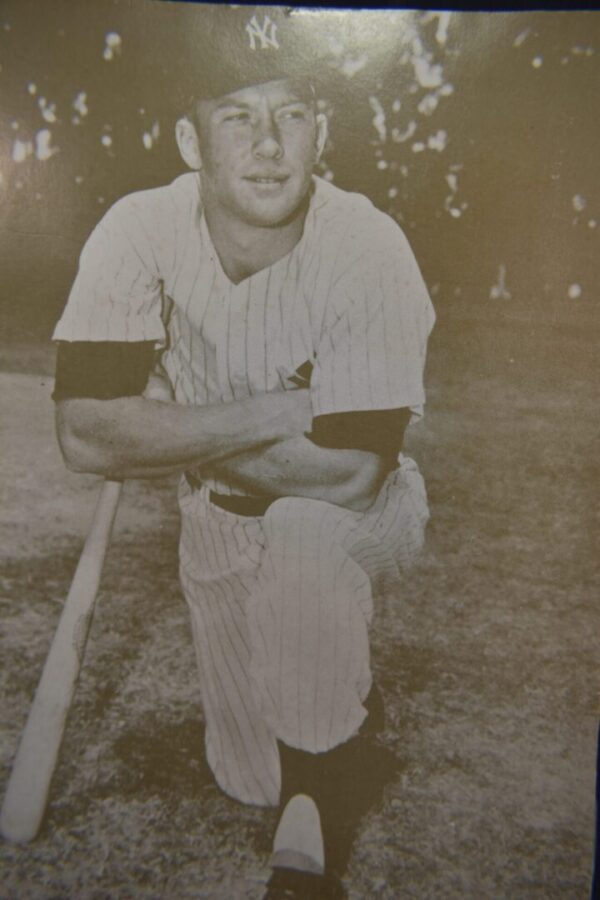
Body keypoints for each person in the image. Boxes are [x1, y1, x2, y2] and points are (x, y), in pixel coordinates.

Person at [52, 7, 435, 898]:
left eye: (290, 116)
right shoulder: (138, 229)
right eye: (238, 118)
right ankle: (346, 719)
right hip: (215, 519)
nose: (268, 145)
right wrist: (276, 409)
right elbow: (82, 435)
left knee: (304, 534)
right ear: (191, 142)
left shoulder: (369, 246)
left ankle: (306, 865)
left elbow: (348, 471)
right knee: (252, 775)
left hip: (362, 514)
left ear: (320, 132)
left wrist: (167, 426)